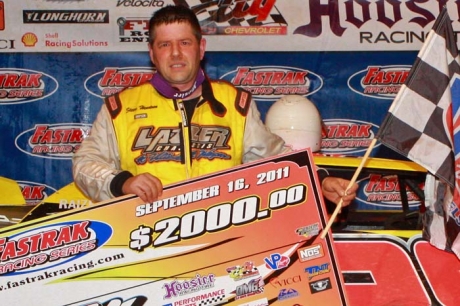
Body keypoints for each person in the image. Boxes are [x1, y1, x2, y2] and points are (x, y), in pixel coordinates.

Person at [72, 5, 358, 210]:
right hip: (147, 240)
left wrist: (320, 180)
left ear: (201, 47)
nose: (175, 54)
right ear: (152, 53)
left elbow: (279, 158)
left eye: (184, 43)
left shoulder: (235, 104)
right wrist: (123, 181)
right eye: (164, 45)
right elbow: (85, 166)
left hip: (223, 242)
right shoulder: (120, 107)